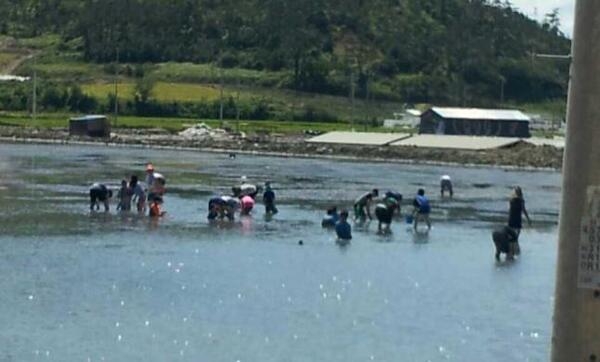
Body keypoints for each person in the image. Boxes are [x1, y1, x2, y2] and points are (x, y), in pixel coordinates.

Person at [508, 186, 531, 251]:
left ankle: (511, 247)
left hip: (512, 218)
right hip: (517, 218)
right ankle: (514, 246)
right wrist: (528, 219)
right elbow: (524, 210)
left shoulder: (511, 200)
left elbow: (510, 210)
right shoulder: (521, 201)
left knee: (511, 233)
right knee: (517, 234)